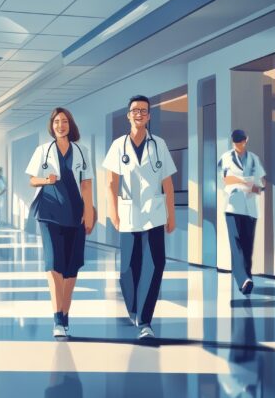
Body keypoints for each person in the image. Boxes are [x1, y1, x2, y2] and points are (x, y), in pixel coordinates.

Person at [103, 94, 176, 340]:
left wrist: (171, 214)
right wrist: (112, 211)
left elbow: (168, 183)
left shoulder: (160, 145)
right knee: (127, 269)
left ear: (149, 116)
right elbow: (111, 183)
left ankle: (145, 320)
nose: (139, 114)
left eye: (144, 110)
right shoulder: (118, 146)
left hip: (155, 213)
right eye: (135, 110)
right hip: (127, 214)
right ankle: (134, 307)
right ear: (128, 115)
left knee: (155, 265)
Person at [26, 107, 95, 338]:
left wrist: (90, 212)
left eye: (64, 121)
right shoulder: (42, 150)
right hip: (49, 212)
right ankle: (57, 317)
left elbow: (86, 185)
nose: (60, 125)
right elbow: (33, 180)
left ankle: (65, 314)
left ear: (70, 124)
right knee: (54, 263)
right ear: (51, 125)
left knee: (71, 267)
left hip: (75, 213)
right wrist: (47, 179)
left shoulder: (82, 151)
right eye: (56, 122)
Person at [218, 129, 266, 295]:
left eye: (240, 141)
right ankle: (243, 279)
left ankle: (247, 278)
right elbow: (226, 179)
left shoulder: (254, 159)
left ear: (246, 140)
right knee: (236, 243)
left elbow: (261, 184)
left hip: (251, 208)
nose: (238, 145)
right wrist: (245, 182)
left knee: (247, 246)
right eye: (235, 142)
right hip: (233, 207)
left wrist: (254, 186)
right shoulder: (226, 158)